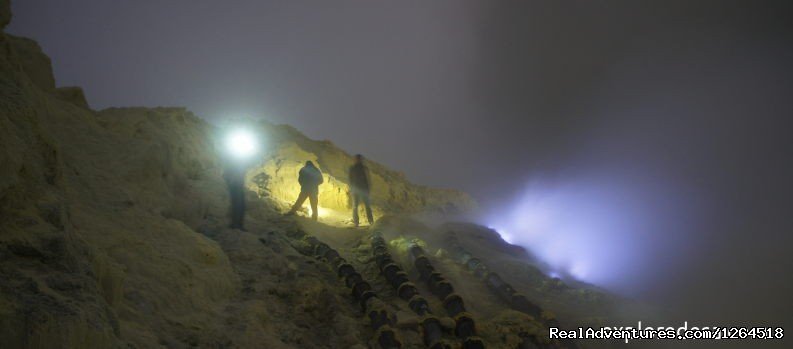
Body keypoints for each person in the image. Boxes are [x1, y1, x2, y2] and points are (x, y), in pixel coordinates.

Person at [349, 154, 374, 227]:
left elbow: (367, 179)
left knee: (366, 206)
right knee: (355, 207)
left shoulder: (363, 168)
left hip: (363, 190)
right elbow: (351, 180)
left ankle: (370, 222)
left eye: (359, 159)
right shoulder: (353, 168)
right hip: (358, 190)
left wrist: (368, 190)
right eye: (357, 159)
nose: (358, 160)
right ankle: (356, 222)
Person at [223, 163, 247, 230]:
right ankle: (235, 224)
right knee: (237, 204)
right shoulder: (232, 164)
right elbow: (228, 174)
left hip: (238, 186)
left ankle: (239, 224)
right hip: (234, 185)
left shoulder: (239, 165)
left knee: (241, 205)